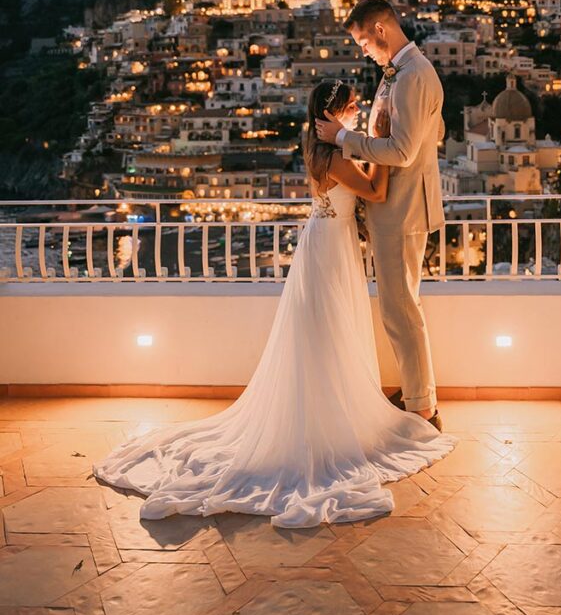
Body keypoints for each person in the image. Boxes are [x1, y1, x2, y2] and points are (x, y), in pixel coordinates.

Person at [93, 78, 455, 528]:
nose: (357, 109)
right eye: (350, 106)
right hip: (330, 248)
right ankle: (328, 420)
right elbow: (376, 192)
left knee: (324, 331)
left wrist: (363, 141)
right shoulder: (334, 157)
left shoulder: (319, 147)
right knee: (329, 330)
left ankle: (332, 408)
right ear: (332, 112)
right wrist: (380, 142)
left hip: (326, 242)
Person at [316, 0, 445, 428]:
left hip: (403, 211)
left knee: (400, 310)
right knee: (399, 308)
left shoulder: (412, 77)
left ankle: (423, 408)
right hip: (394, 209)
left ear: (381, 30)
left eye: (363, 41)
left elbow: (404, 152)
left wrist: (341, 140)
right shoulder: (401, 76)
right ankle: (416, 393)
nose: (363, 50)